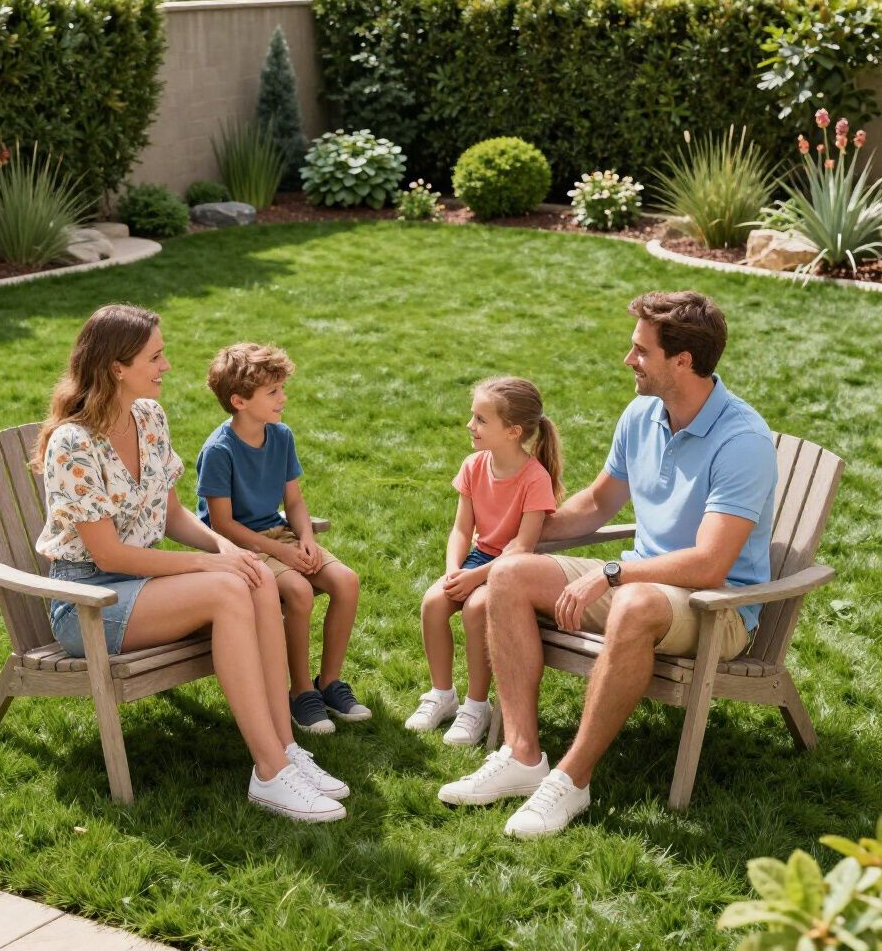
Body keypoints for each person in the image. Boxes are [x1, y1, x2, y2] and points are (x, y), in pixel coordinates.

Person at [438, 291, 777, 839]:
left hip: (717, 609)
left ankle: (571, 780)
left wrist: (615, 573)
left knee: (638, 602)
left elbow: (711, 564)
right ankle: (523, 756)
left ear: (682, 362)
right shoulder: (643, 414)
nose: (628, 360)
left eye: (640, 351)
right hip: (642, 582)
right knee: (509, 574)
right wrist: (524, 528)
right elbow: (598, 504)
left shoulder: (742, 442)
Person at [32, 304, 349, 823]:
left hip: (145, 585)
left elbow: (174, 512)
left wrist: (229, 551)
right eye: (155, 356)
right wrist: (209, 569)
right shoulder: (74, 442)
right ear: (117, 367)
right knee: (227, 590)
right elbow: (107, 554)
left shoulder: (149, 418)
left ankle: (286, 751)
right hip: (90, 602)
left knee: (257, 580)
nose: (167, 365)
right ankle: (269, 774)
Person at [197, 342, 369, 735]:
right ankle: (300, 692)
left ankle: (329, 683)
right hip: (243, 546)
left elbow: (294, 499)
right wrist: (281, 554)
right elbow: (222, 524)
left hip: (282, 535)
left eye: (281, 388)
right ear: (239, 401)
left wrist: (305, 539)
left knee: (346, 581)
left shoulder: (281, 436)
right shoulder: (219, 451)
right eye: (272, 392)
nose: (283, 398)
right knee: (300, 591)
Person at [405, 377, 561, 746]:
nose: (470, 425)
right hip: (477, 560)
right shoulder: (474, 466)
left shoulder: (534, 478)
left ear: (512, 431)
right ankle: (442, 695)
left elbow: (522, 548)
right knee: (433, 602)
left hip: (512, 569)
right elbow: (461, 529)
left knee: (476, 609)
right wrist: (453, 570)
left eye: (480, 419)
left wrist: (475, 579)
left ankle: (477, 706)